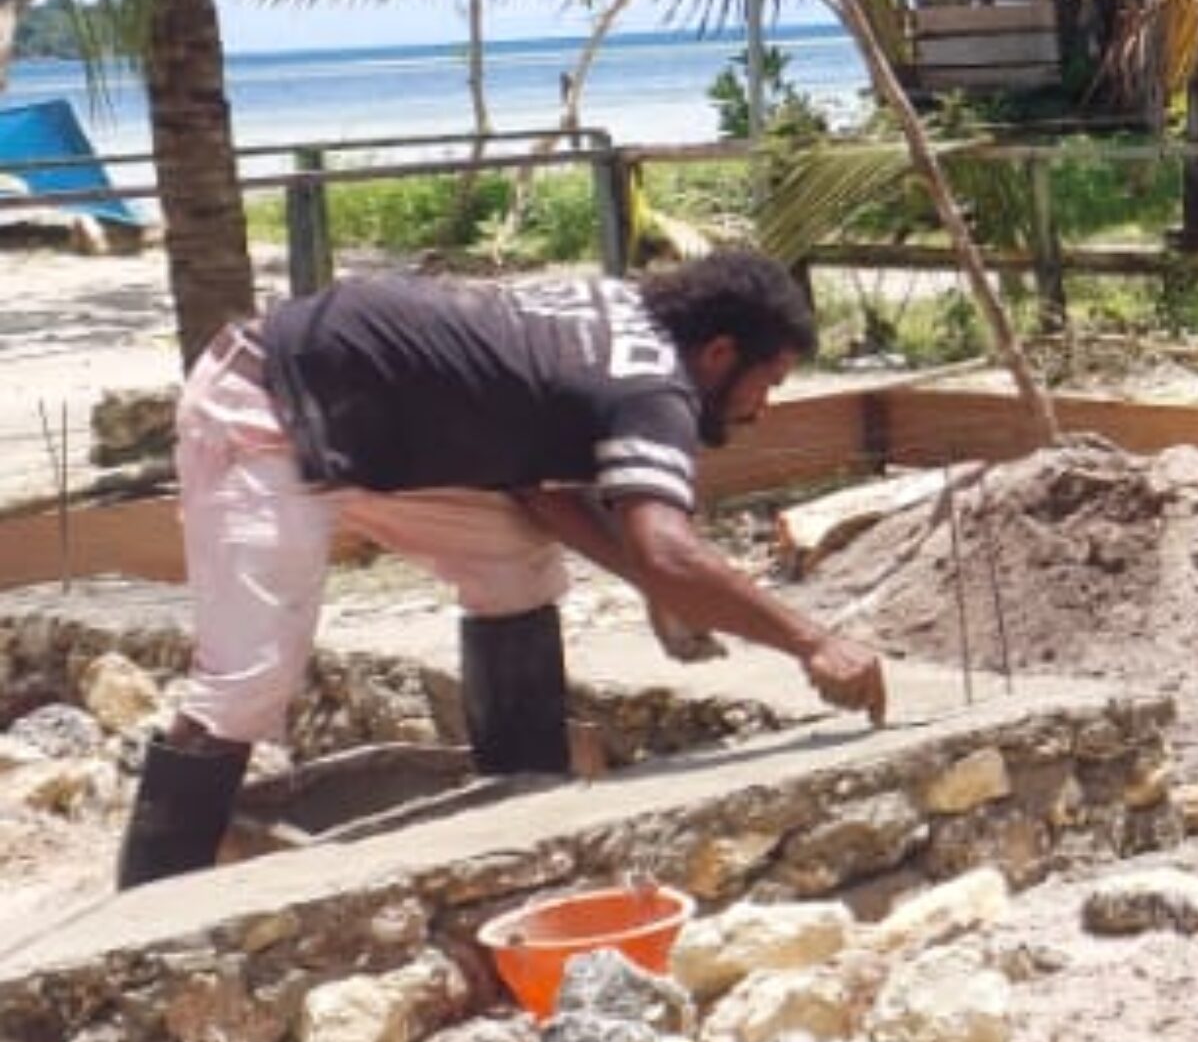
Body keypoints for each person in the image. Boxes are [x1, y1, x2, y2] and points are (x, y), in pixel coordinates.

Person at [113, 250, 892, 889]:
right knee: (248, 684)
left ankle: (522, 815)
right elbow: (667, 545)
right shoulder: (653, 384)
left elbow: (539, 492)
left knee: (518, 570)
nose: (764, 407)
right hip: (265, 408)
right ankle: (149, 906)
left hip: (363, 424)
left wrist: (659, 584)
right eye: (770, 381)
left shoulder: (618, 318)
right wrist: (812, 641)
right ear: (720, 352)